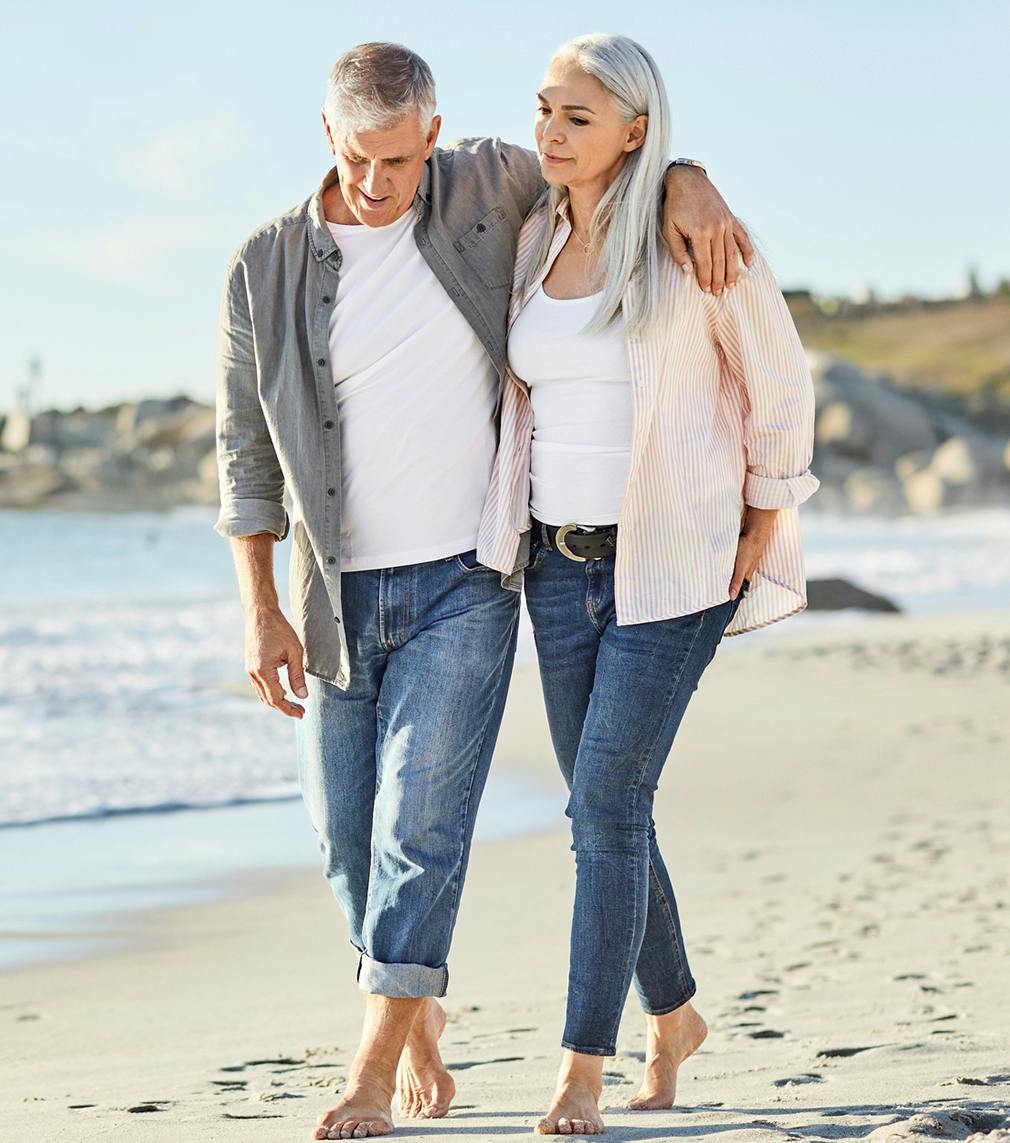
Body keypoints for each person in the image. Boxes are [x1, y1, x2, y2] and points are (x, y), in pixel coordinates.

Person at [215, 40, 752, 1141]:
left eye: (400, 162)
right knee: (341, 843)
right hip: (332, 599)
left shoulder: (486, 184)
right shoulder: (262, 266)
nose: (378, 185)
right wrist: (259, 605)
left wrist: (691, 175)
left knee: (425, 834)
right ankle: (424, 1015)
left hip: (466, 579)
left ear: (433, 135)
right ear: (327, 135)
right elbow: (245, 459)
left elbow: (612, 153)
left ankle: (368, 1070)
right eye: (358, 160)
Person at [476, 32, 819, 1136]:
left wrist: (761, 522)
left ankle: (582, 1067)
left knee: (606, 809)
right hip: (553, 567)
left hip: (673, 567)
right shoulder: (530, 234)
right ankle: (673, 1015)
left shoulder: (692, 237)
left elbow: (779, 383)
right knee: (601, 809)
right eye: (543, 111)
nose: (550, 134)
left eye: (577, 117)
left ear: (635, 127)